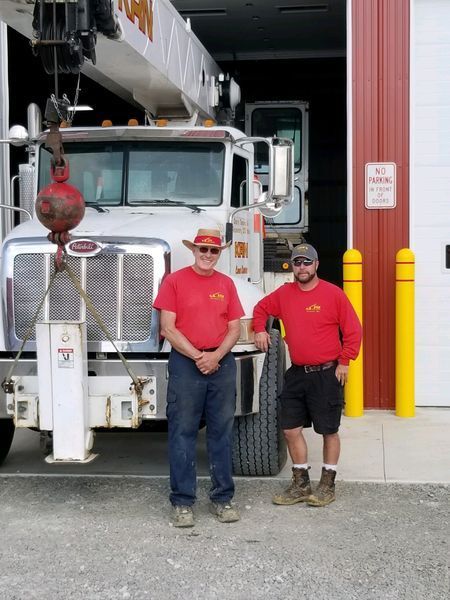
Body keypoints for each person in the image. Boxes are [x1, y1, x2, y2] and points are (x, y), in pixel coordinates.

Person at [253, 243, 362, 507]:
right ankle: (301, 483)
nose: (301, 267)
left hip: (327, 373)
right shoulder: (284, 294)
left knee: (328, 430)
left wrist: (345, 362)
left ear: (316, 265)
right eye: (297, 263)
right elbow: (260, 308)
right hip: (297, 373)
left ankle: (327, 485)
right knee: (290, 429)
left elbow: (353, 330)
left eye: (306, 262)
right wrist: (260, 329)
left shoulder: (333, 294)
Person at [153, 228, 244, 527]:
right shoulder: (174, 281)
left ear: (219, 254)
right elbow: (168, 327)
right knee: (182, 433)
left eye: (213, 250)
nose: (207, 255)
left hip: (221, 364)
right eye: (202, 249)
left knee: (221, 433)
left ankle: (223, 498)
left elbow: (235, 328)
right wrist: (198, 357)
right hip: (186, 363)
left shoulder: (226, 284)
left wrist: (215, 357)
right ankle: (182, 502)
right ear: (193, 251)